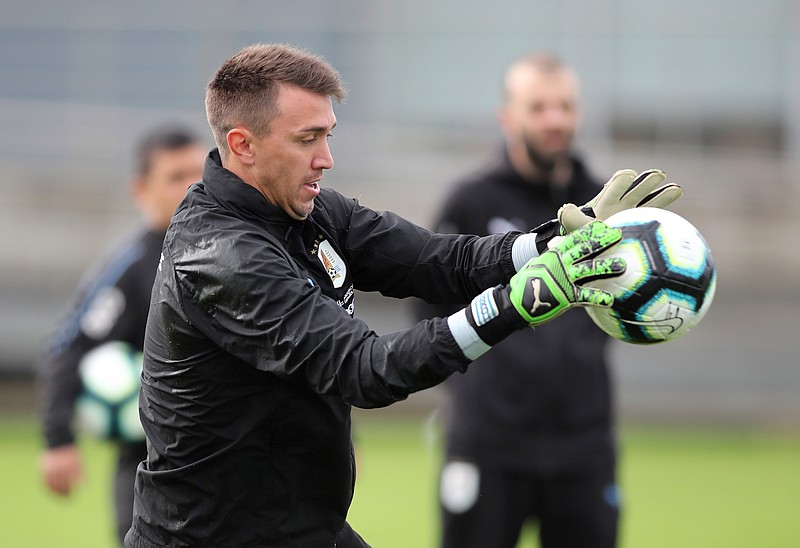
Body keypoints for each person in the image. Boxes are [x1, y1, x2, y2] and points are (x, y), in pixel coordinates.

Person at [123, 43, 681, 548]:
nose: (326, 158)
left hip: (296, 527)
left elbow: (439, 261)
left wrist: (556, 240)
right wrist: (518, 303)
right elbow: (369, 369)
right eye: (306, 139)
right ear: (242, 146)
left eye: (328, 135)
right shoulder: (225, 257)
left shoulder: (309, 208)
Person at [413, 53, 643, 548]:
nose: (554, 120)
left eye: (565, 106)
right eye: (538, 107)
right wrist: (476, 395)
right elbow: (430, 308)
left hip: (584, 444)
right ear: (508, 117)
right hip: (489, 443)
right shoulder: (470, 201)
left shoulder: (606, 204)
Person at [38, 125, 206, 545]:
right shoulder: (130, 267)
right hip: (151, 464)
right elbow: (70, 345)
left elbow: (289, 342)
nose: (192, 185)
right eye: (175, 175)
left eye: (198, 171)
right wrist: (59, 439)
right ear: (141, 190)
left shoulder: (242, 252)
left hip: (238, 457)